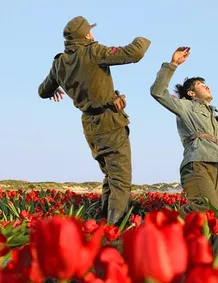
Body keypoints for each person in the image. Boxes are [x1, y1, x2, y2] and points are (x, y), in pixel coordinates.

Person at [37, 16, 151, 224]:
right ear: (87, 35)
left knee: (110, 174)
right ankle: (116, 228)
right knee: (120, 179)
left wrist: (58, 86)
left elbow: (43, 91)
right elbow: (135, 53)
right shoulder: (92, 51)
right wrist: (144, 38)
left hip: (90, 126)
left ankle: (103, 221)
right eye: (90, 31)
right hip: (109, 122)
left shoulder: (59, 63)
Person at [150, 46, 218, 215]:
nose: (207, 86)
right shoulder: (186, 107)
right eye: (201, 84)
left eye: (206, 84)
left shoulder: (212, 115)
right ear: (191, 93)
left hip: (215, 163)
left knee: (212, 213)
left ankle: (180, 233)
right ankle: (166, 229)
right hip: (197, 162)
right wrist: (173, 64)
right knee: (204, 208)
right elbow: (158, 92)